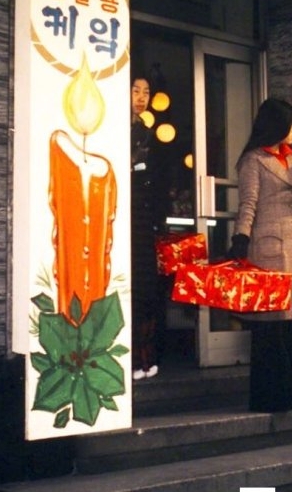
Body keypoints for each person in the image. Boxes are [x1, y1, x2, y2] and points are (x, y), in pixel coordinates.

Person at [228, 98, 292, 412]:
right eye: (290, 124)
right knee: (270, 328)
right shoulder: (252, 160)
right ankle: (271, 397)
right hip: (266, 247)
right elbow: (248, 204)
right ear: (276, 125)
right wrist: (240, 238)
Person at [130, 75, 163, 380]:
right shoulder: (111, 124)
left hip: (141, 215)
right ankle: (130, 358)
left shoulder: (146, 132)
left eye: (146, 92)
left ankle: (144, 357)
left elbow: (151, 176)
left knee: (143, 284)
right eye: (136, 90)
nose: (141, 97)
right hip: (119, 210)